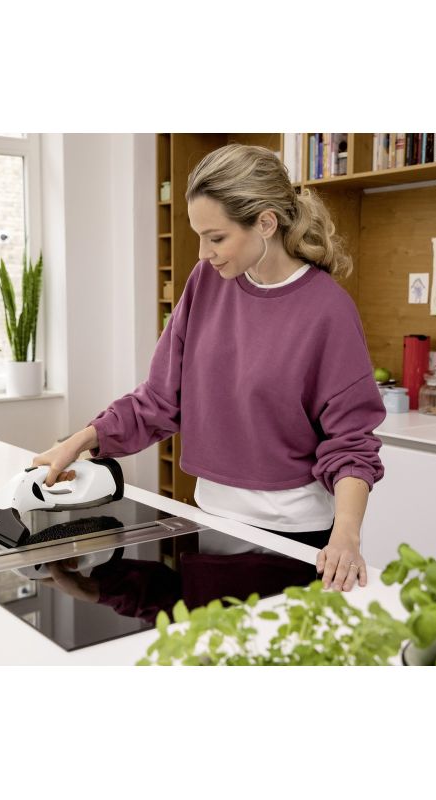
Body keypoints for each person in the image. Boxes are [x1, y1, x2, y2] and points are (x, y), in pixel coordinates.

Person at [33, 143, 386, 593]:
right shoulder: (206, 284)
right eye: (199, 236)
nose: (203, 253)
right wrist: (79, 441)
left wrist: (346, 536)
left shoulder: (327, 309)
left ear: (265, 223)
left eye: (216, 238)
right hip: (208, 518)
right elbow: (160, 398)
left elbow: (351, 442)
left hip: (293, 536)